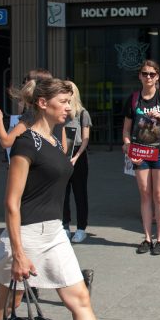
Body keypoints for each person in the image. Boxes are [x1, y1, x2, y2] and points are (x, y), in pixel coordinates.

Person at [0, 77, 146, 320]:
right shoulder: (27, 142)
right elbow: (12, 204)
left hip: (54, 233)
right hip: (25, 234)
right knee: (5, 306)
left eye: (69, 102)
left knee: (79, 298)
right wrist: (19, 253)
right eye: (64, 102)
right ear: (43, 103)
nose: (69, 107)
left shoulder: (56, 139)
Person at [122, 60, 160, 255]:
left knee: (159, 194)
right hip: (141, 153)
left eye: (152, 74)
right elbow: (126, 131)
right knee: (145, 193)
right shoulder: (133, 98)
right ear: (140, 76)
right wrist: (129, 148)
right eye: (145, 74)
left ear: (157, 76)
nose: (148, 77)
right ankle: (147, 238)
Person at [0, 68, 53, 150]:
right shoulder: (55, 110)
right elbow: (64, 148)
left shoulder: (33, 112)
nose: (23, 84)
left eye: (25, 81)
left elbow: (6, 142)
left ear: (30, 84)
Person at [62, 81, 92, 243]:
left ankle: (81, 228)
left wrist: (76, 156)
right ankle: (65, 226)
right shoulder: (58, 112)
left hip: (78, 154)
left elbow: (86, 138)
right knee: (63, 193)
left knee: (80, 193)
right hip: (61, 154)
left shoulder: (82, 113)